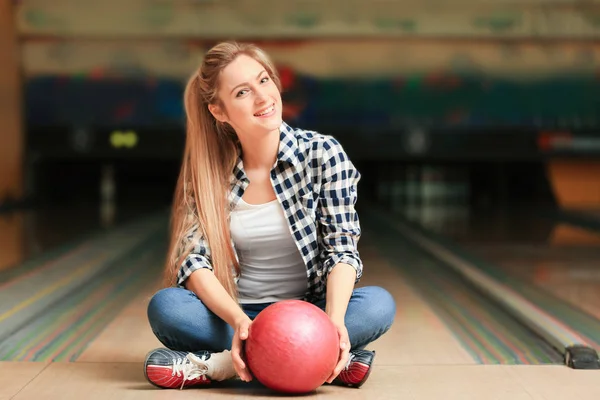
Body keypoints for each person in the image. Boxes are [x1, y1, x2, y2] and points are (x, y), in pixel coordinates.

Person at [144, 41, 396, 391]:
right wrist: (239, 321)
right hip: (236, 315)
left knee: (378, 305)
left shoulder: (323, 154)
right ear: (219, 111)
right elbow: (193, 261)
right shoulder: (207, 174)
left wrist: (334, 323)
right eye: (243, 92)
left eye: (264, 81)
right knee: (167, 307)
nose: (263, 98)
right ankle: (313, 360)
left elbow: (341, 250)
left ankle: (220, 365)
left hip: (310, 314)